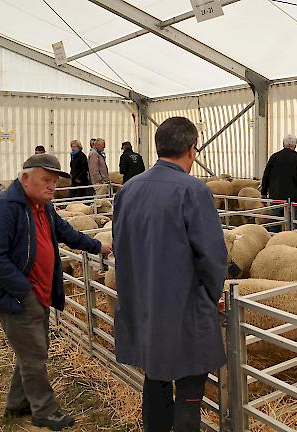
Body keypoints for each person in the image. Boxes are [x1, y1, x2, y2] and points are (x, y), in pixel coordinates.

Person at [0, 154, 112, 431]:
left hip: (39, 291)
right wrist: (24, 291)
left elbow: (65, 232)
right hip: (18, 295)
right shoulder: (4, 208)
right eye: (46, 180)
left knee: (32, 349)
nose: (52, 187)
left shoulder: (42, 206)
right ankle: (44, 411)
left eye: (54, 182)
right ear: (25, 178)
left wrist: (96, 246)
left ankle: (17, 402)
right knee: (35, 353)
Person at [113, 117, 227, 432]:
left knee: (156, 375)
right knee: (190, 381)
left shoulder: (128, 190)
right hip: (184, 308)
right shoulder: (193, 191)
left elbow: (120, 246)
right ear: (192, 150)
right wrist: (210, 296)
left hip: (144, 303)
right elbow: (213, 256)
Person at [260, 134, 297, 232]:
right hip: (294, 200)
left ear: (283, 144)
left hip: (276, 198)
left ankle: (274, 242)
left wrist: (263, 194)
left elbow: (265, 176)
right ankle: (292, 243)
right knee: (293, 224)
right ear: (295, 145)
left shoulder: (274, 158)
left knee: (275, 223)